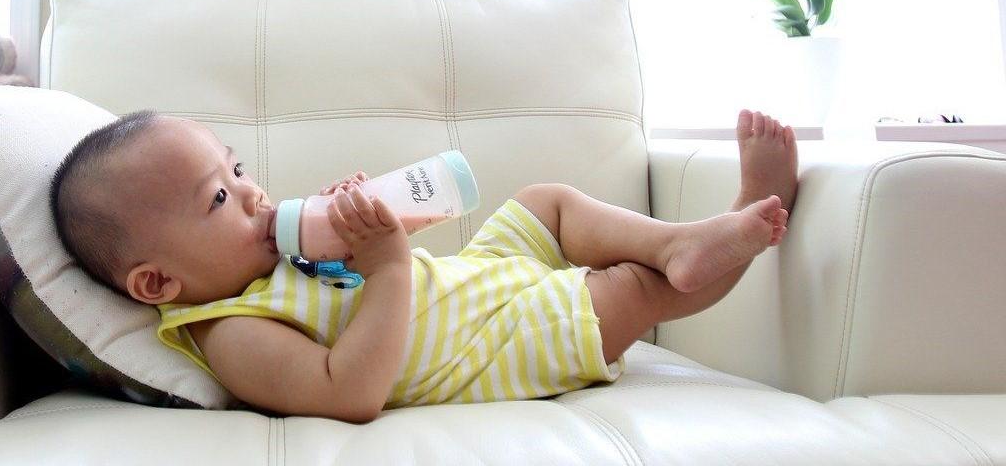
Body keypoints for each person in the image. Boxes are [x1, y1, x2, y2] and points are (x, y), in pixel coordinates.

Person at [50, 109, 797, 423]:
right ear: (157, 283)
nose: (252, 192)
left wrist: (356, 225)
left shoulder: (271, 260)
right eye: (219, 195)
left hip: (478, 276)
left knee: (548, 203)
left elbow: (361, 269)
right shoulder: (231, 330)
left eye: (238, 168)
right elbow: (349, 393)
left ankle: (679, 238)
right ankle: (721, 234)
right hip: (499, 344)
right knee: (632, 290)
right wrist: (388, 266)